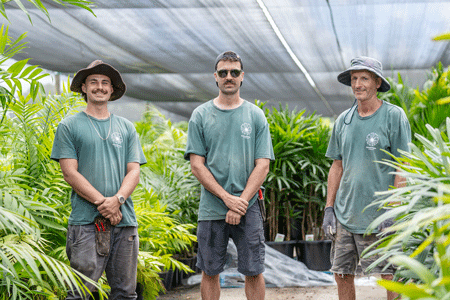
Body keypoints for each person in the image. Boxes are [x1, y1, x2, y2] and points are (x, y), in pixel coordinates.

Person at [51, 60, 147, 300]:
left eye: (105, 83)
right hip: (85, 223)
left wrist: (118, 200)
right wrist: (106, 205)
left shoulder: (126, 127)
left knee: (125, 293)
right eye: (93, 82)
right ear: (83, 87)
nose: (100, 87)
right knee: (80, 293)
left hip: (124, 223)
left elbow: (133, 171)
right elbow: (69, 173)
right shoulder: (69, 126)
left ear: (112, 90)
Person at [184, 51, 274, 300]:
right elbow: (197, 165)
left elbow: (263, 165)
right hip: (212, 208)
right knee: (210, 271)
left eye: (234, 72)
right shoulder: (201, 115)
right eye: (223, 73)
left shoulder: (255, 115)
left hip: (250, 206)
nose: (229, 77)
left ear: (242, 77)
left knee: (254, 270)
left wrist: (240, 202)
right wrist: (227, 199)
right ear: (215, 77)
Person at [322, 56, 411, 300]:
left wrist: (393, 210)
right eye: (354, 79)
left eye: (364, 78)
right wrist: (329, 208)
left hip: (379, 215)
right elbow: (337, 166)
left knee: (391, 275)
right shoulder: (343, 120)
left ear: (377, 82)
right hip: (345, 215)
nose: (358, 84)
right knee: (341, 273)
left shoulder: (394, 116)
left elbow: (402, 165)